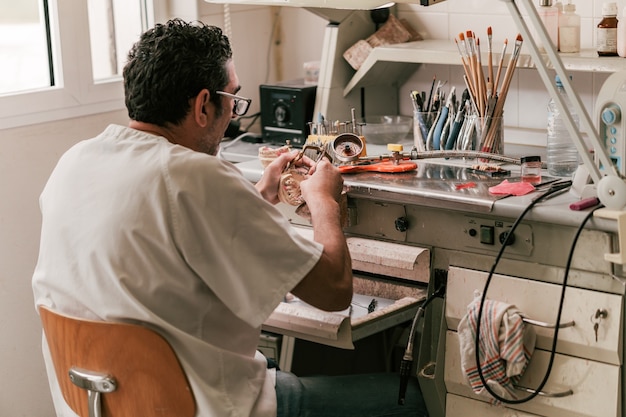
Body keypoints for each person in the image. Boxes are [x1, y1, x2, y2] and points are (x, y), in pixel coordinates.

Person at [32, 18, 427, 417]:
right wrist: (324, 199)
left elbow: (168, 238)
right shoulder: (195, 176)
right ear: (204, 104)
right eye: (233, 99)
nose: (232, 115)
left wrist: (257, 198)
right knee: (410, 398)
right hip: (209, 405)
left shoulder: (76, 161)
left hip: (109, 404)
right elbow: (335, 291)